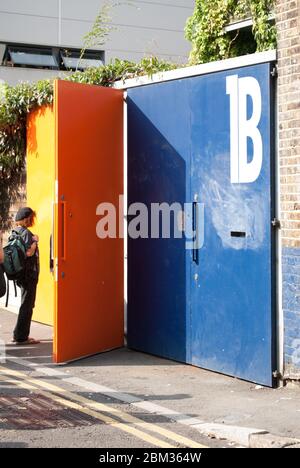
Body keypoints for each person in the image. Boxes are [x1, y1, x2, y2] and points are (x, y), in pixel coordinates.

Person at [12, 207, 40, 345]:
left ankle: (18, 333)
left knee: (25, 304)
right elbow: (29, 253)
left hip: (21, 274)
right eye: (31, 218)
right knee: (27, 305)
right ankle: (22, 336)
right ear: (27, 218)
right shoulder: (27, 233)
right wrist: (35, 241)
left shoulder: (15, 231)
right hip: (29, 275)